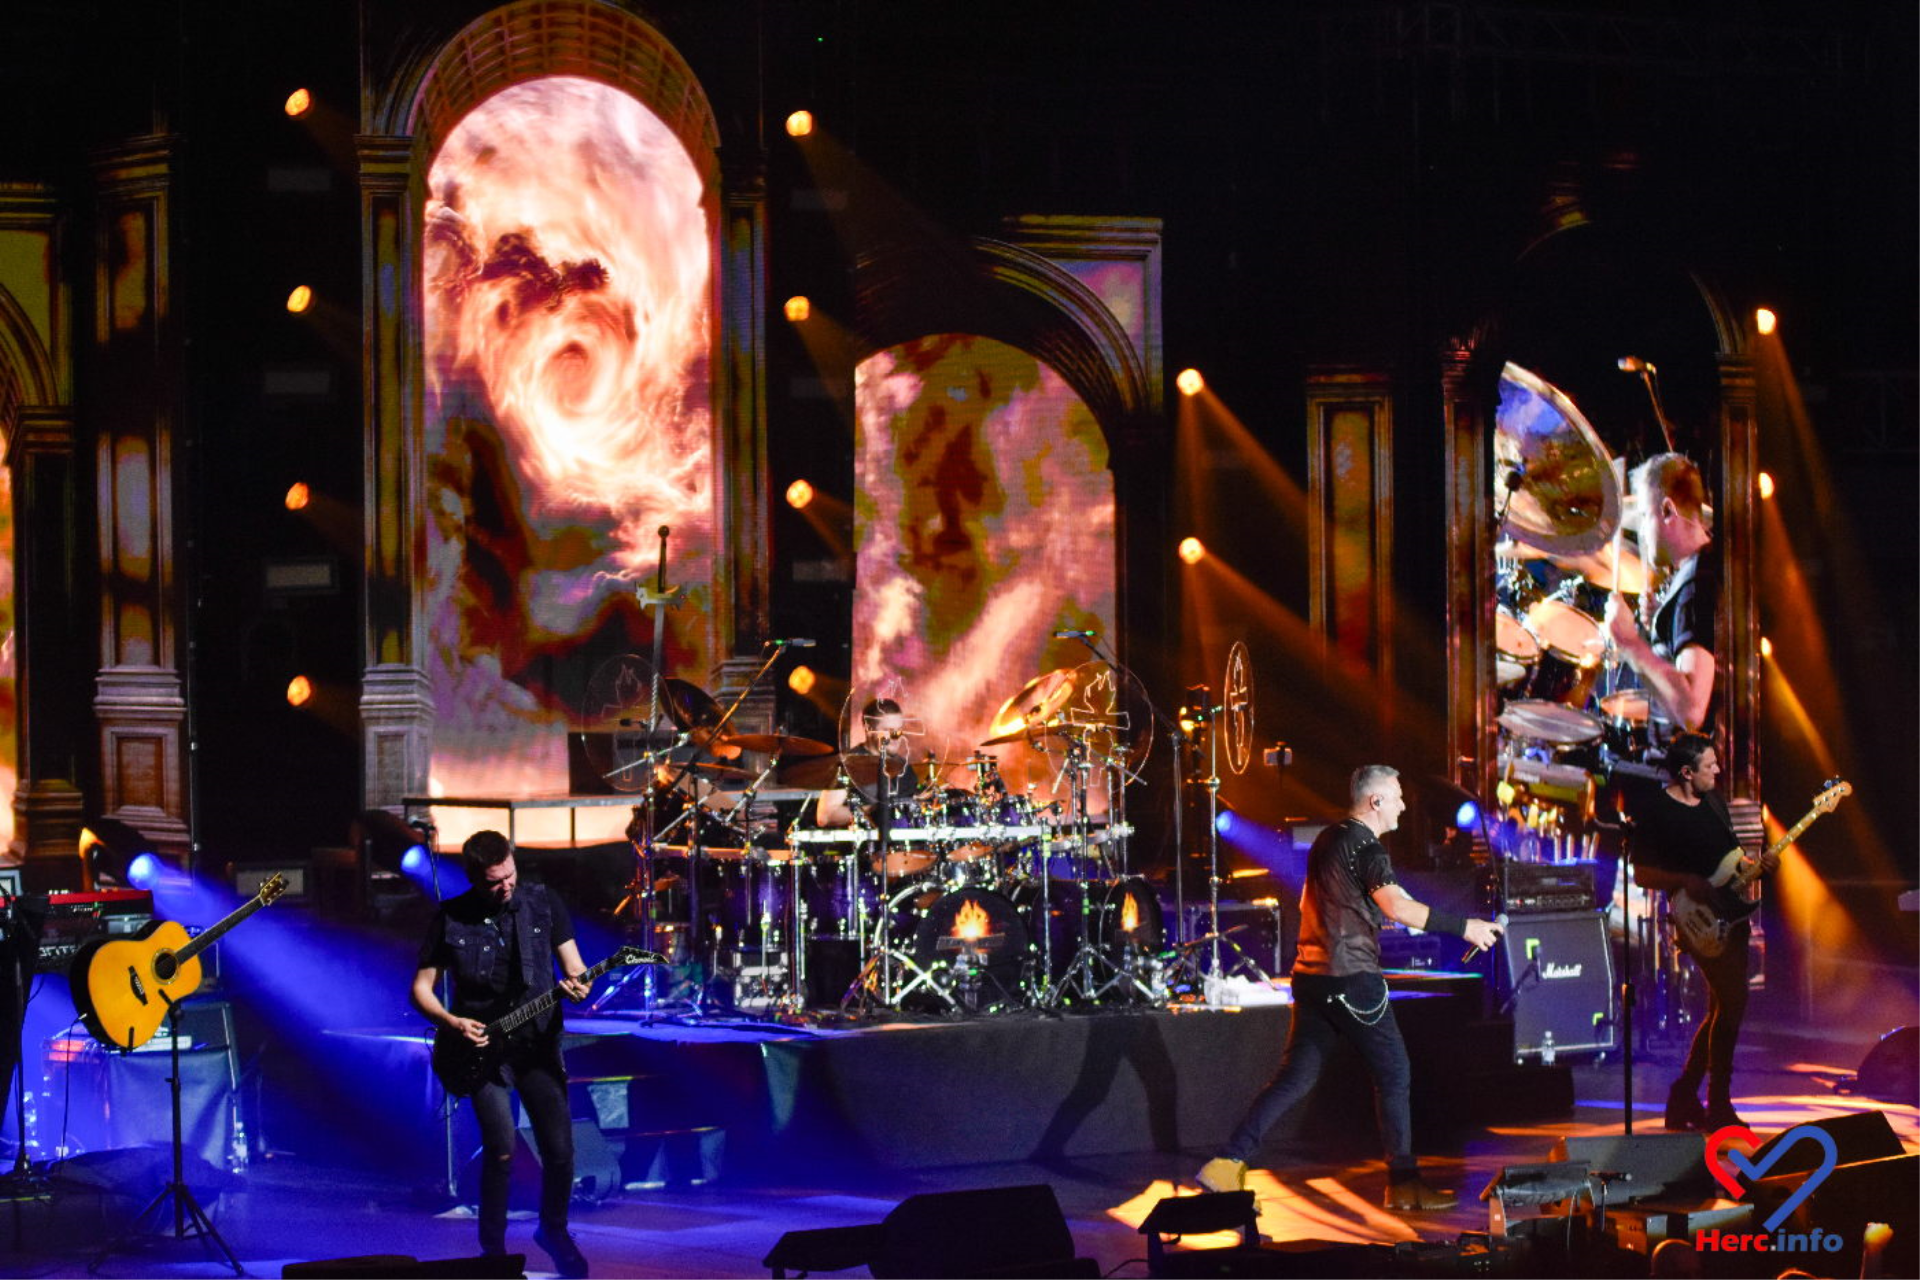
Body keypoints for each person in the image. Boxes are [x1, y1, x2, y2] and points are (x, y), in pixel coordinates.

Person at [1196, 766, 1505, 1211]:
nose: (1404, 805)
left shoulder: (1331, 839)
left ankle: (1227, 1162)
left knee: (1296, 1076)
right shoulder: (1367, 846)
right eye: (1397, 796)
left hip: (1312, 978)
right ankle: (1404, 1185)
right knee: (1394, 1073)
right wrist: (1466, 927)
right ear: (1375, 801)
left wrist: (1389, 916)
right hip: (1351, 979)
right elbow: (1396, 906)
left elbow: (1358, 901)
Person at [412, 831, 593, 1277]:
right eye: (495, 881)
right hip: (482, 1052)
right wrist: (452, 1022)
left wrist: (580, 984)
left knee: (560, 1151)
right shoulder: (452, 917)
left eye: (510, 875)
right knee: (502, 1150)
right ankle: (492, 1251)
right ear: (475, 878)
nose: (506, 886)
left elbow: (575, 967)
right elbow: (421, 988)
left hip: (537, 1046)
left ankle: (553, 1230)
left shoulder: (543, 903)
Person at [1628, 732, 1748, 1131]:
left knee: (1722, 1008)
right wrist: (1684, 880)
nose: (1718, 770)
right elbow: (1642, 874)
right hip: (1695, 920)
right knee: (1732, 1002)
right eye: (1710, 765)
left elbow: (1730, 857)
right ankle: (1718, 1104)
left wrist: (1754, 866)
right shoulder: (1657, 811)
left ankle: (1684, 1096)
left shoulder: (1713, 802)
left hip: (1731, 915)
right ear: (1686, 772)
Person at [1606, 452, 1718, 741]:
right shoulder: (1704, 568)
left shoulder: (1697, 584)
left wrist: (1629, 643)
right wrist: (1664, 621)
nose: (1642, 531)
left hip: (1694, 764)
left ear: (1668, 510)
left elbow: (1692, 710)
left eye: (1645, 516)